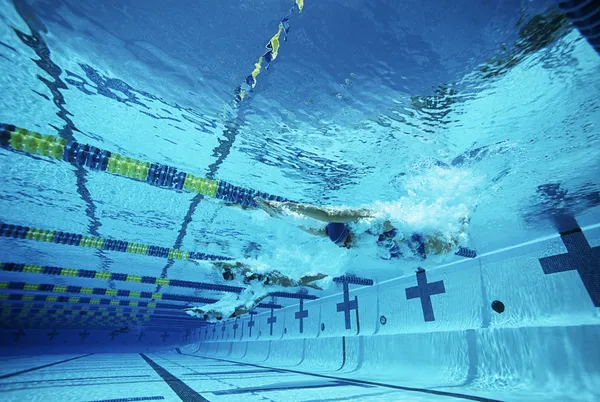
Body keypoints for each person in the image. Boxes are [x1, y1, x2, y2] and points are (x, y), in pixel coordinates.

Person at [254, 197, 469, 260]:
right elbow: (314, 229)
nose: (346, 248)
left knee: (454, 240)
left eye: (345, 243)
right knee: (452, 243)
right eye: (342, 246)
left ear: (349, 232)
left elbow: (328, 215)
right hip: (410, 254)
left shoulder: (369, 220)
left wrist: (286, 206)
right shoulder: (346, 236)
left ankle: (467, 211)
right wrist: (282, 217)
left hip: (420, 242)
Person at [185, 260, 327, 322]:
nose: (211, 312)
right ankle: (320, 276)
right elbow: (253, 302)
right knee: (291, 282)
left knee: (291, 282)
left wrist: (198, 262)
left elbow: (219, 264)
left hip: (262, 278)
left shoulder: (233, 268)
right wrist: (264, 290)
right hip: (262, 285)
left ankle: (321, 274)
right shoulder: (232, 312)